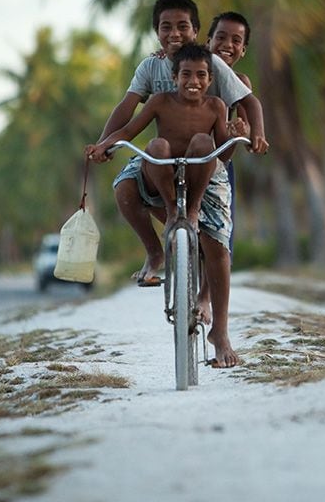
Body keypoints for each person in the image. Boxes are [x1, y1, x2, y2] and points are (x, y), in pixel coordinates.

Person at [90, 0, 269, 288]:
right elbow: (127, 109)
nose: (174, 34)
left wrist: (252, 134)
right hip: (166, 158)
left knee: (218, 241)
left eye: (182, 27)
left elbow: (249, 104)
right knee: (127, 185)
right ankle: (159, 247)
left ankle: (205, 300)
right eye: (166, 27)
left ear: (195, 32)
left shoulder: (213, 66)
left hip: (209, 159)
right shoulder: (152, 67)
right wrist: (104, 143)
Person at [87, 43, 244, 367]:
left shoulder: (216, 106)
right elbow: (131, 129)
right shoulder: (159, 101)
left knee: (205, 143)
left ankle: (221, 333)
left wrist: (232, 136)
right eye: (186, 74)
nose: (193, 81)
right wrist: (104, 144)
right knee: (156, 144)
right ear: (173, 77)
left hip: (202, 170)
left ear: (210, 78)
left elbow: (222, 157)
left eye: (201, 75)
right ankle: (173, 213)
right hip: (164, 168)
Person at [206, 11, 252, 258]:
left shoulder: (239, 80)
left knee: (220, 235)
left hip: (219, 162)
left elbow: (246, 120)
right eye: (220, 37)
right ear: (207, 41)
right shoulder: (189, 69)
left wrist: (244, 131)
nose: (227, 45)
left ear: (243, 50)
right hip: (184, 157)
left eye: (236, 41)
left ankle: (205, 294)